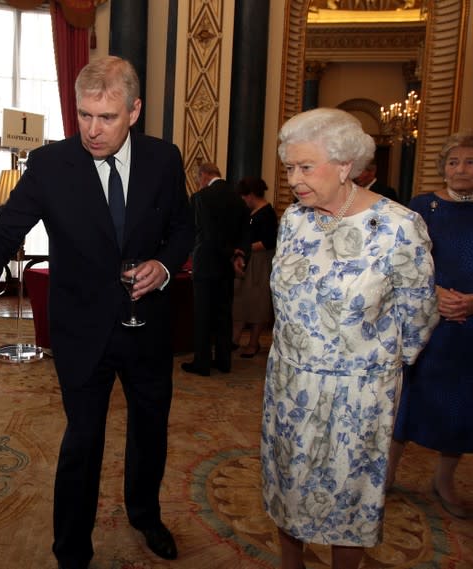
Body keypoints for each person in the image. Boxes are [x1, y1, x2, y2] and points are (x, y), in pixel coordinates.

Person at [0, 56, 193, 569]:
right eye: (83, 115)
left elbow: (183, 230)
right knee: (83, 440)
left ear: (134, 111)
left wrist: (164, 267)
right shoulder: (49, 165)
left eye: (106, 117)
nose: (92, 130)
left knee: (151, 430)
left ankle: (145, 514)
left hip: (147, 327)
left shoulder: (164, 160)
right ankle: (71, 551)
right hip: (82, 331)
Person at [260, 107, 438, 569]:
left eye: (304, 167)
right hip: (289, 383)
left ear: (344, 166)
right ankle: (290, 562)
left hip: (358, 393)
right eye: (289, 168)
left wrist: (380, 366)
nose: (293, 179)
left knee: (348, 494)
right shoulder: (295, 220)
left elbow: (418, 313)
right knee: (288, 481)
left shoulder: (399, 226)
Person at [388, 132, 473, 519]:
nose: (460, 169)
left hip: (469, 327)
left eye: (470, 162)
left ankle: (444, 480)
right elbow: (402, 261)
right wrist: (435, 293)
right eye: (454, 162)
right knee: (406, 397)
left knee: (462, 405)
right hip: (426, 322)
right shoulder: (424, 206)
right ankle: (384, 475)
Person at [180, 162, 249, 376]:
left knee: (202, 314)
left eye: (198, 178)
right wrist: (238, 254)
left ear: (204, 175)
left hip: (206, 264)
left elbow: (206, 236)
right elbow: (245, 234)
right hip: (226, 266)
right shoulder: (238, 199)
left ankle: (202, 363)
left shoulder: (201, 198)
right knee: (223, 313)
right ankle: (223, 360)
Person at [231, 176, 277, 358]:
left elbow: (268, 242)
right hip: (248, 259)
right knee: (240, 301)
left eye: (243, 197)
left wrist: (244, 247)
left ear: (250, 195)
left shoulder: (267, 213)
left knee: (258, 302)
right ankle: (234, 339)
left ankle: (253, 342)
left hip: (260, 262)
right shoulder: (251, 211)